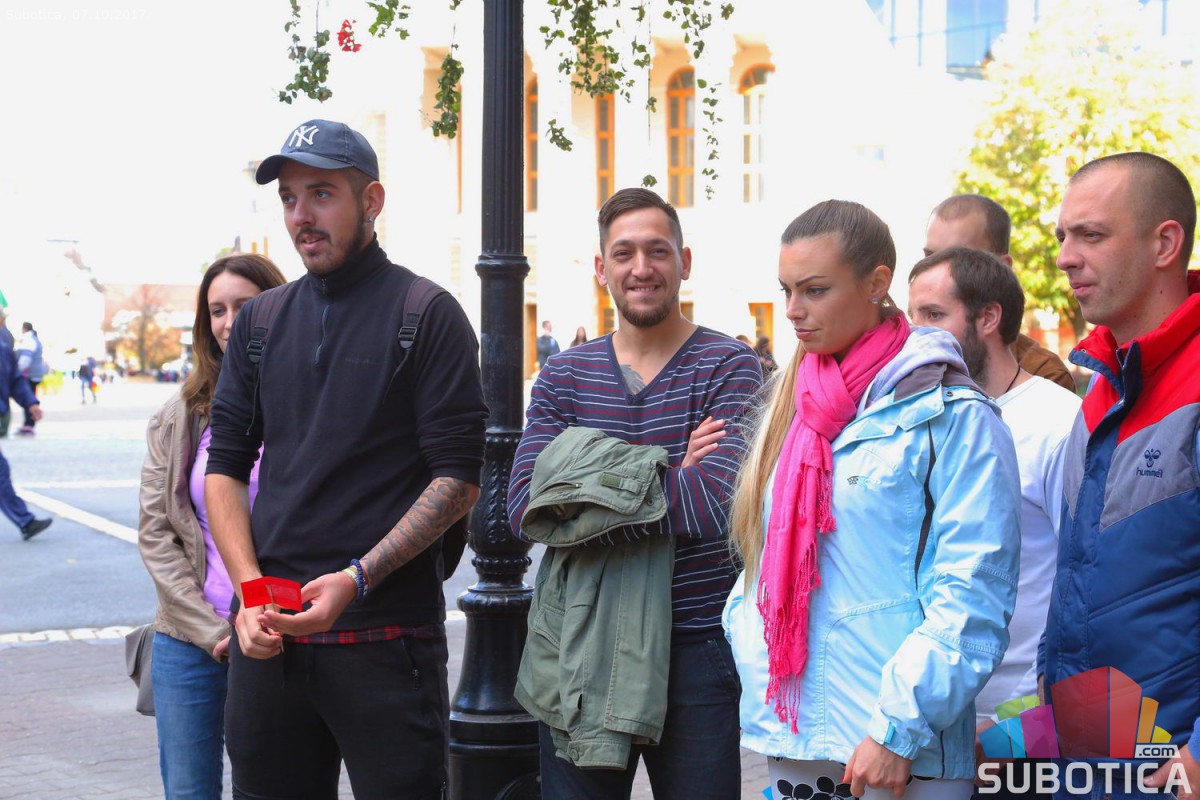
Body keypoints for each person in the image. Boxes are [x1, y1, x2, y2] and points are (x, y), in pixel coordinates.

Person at [205, 119, 486, 798]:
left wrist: (358, 579)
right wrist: (249, 593)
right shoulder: (260, 321)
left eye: (322, 194)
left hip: (387, 640)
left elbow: (459, 480)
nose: (302, 215)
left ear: (372, 200)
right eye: (290, 198)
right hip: (271, 639)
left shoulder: (426, 313)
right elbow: (225, 468)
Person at [724, 200, 1020, 800]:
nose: (793, 310)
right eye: (786, 290)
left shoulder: (953, 414)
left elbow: (973, 591)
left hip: (900, 753)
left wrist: (896, 731)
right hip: (795, 734)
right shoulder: (797, 404)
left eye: (815, 289)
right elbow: (761, 565)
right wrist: (748, 635)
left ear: (877, 283)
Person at [508, 187, 763, 798]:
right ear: (602, 269)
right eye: (624, 253)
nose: (641, 268)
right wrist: (671, 468)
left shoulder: (730, 366)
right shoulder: (564, 376)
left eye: (658, 251)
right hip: (580, 643)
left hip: (695, 645)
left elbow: (716, 502)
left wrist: (583, 481)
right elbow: (526, 507)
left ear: (684, 262)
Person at [1042, 153, 1200, 799]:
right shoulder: (1103, 388)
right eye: (1063, 236)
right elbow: (1084, 583)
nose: (1065, 258)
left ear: (1165, 243)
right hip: (1093, 758)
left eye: (1091, 235)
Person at [907, 247, 1079, 760]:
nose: (916, 334)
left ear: (988, 317)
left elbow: (1082, 582)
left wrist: (1022, 724)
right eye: (912, 316)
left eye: (933, 315)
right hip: (925, 716)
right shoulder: (921, 417)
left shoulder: (1059, 422)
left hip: (1018, 722)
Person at [138, 254, 286, 799]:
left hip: (280, 631)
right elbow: (157, 533)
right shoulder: (179, 414)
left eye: (244, 306)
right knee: (190, 791)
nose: (229, 322)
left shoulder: (309, 403)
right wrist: (213, 631)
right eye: (217, 311)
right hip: (192, 637)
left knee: (275, 786)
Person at [924, 194, 1075, 392]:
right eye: (930, 257)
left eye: (958, 259)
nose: (935, 272)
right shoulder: (907, 357)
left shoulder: (1042, 375)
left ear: (1001, 268)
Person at [0, 317, 50, 540]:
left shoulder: (4, 341)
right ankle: (25, 521)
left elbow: (14, 378)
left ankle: (25, 521)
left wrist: (30, 403)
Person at [15, 321, 46, 435]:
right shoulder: (34, 339)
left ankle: (29, 424)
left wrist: (17, 370)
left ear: (24, 329)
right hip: (34, 374)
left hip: (29, 374)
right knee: (30, 397)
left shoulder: (28, 340)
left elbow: (25, 359)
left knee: (28, 398)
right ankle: (28, 424)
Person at [0, 310, 12, 438]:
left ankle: (3, 429)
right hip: (5, 373)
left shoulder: (3, 333)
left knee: (3, 403)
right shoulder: (7, 333)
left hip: (3, 373)